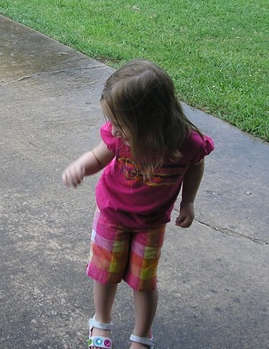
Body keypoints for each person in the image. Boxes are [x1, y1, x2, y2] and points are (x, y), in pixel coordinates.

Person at [62, 59, 214, 349]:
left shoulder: (187, 143)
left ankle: (142, 335)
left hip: (151, 222)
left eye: (120, 124)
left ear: (149, 120)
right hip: (111, 213)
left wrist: (188, 202)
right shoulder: (120, 138)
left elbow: (196, 164)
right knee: (105, 273)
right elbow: (98, 156)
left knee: (144, 280)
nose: (114, 130)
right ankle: (101, 321)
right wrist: (80, 166)